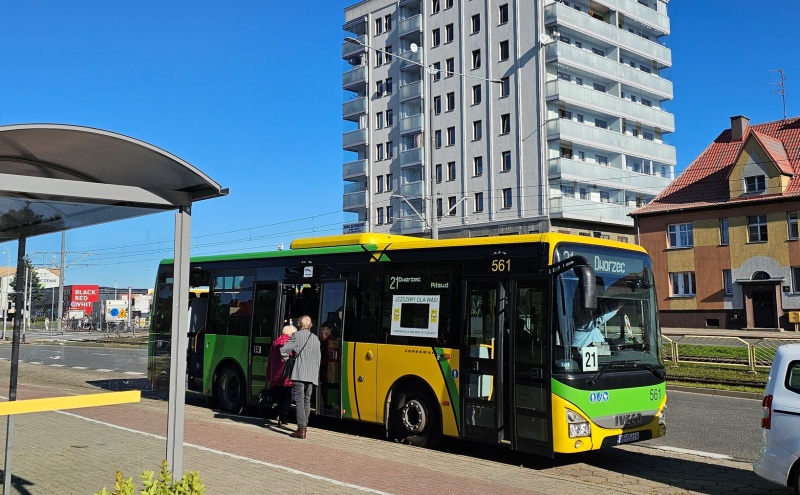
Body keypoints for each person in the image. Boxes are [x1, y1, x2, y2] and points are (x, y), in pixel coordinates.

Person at [280, 315, 321, 439]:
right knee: (307, 400)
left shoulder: (296, 336)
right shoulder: (316, 339)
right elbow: (318, 358)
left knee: (299, 400)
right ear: (311, 326)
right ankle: (305, 426)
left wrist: (289, 360)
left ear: (299, 324)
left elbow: (283, 350)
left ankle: (301, 429)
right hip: (311, 374)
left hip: (299, 373)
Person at [267, 324, 296, 426]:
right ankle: (282, 415)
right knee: (289, 397)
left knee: (280, 397)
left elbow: (270, 361)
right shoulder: (291, 344)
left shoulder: (275, 343)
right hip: (287, 375)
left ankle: (280, 415)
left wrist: (268, 375)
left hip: (275, 375)